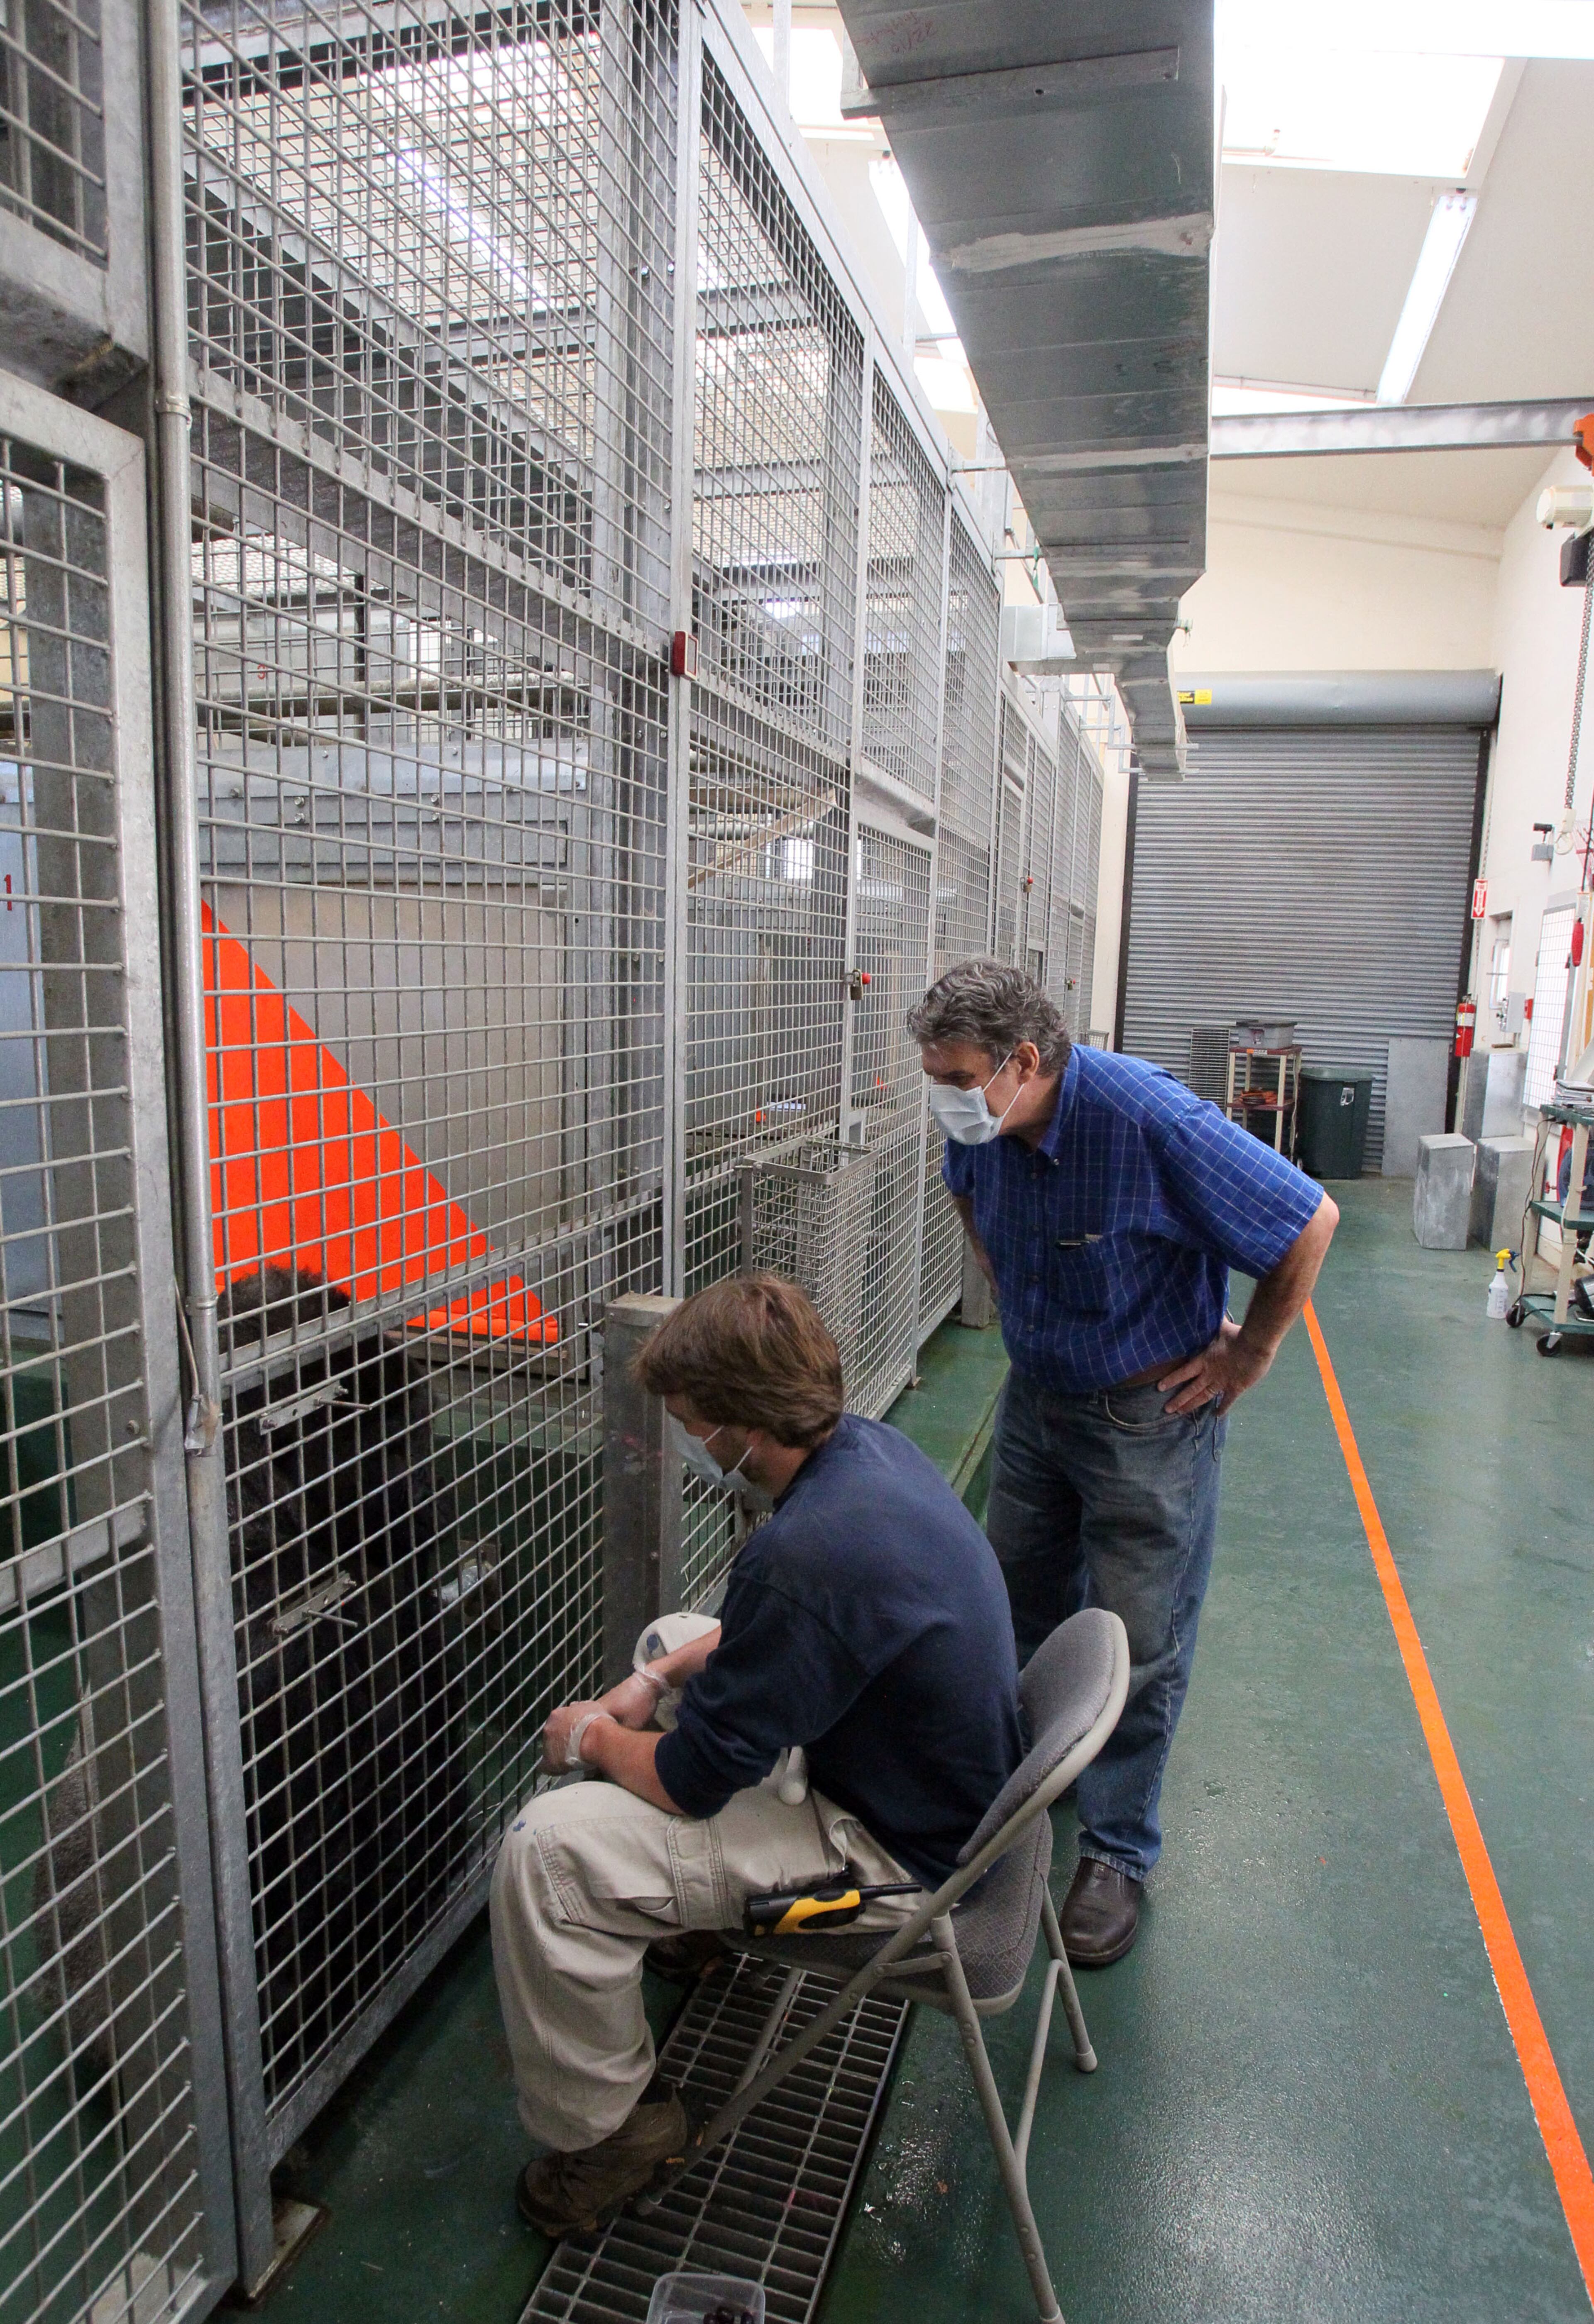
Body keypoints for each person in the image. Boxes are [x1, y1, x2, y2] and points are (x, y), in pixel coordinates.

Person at [490, 1274, 1022, 2236]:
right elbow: (762, 1631)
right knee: (671, 1640)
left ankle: (615, 2134)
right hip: (936, 1784)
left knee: (544, 1848)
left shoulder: (808, 1550)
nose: (691, 1436)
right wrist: (652, 1684)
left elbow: (691, 1784)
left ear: (746, 1424)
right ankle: (685, 1923)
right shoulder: (868, 1457)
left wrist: (595, 1738)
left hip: (900, 1861)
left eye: (695, 1419)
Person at [908, 959, 1338, 1969]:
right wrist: (1016, 1298)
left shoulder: (1147, 1121)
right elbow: (970, 1198)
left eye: (955, 1076)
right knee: (1010, 1604)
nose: (942, 1095)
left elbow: (1307, 1220)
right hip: (1037, 1403)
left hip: (1150, 1419)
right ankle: (1008, 1798)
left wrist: (1250, 1353)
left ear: (1023, 1062)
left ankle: (1116, 1848)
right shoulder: (979, 1119)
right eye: (932, 1075)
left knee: (1139, 1636)